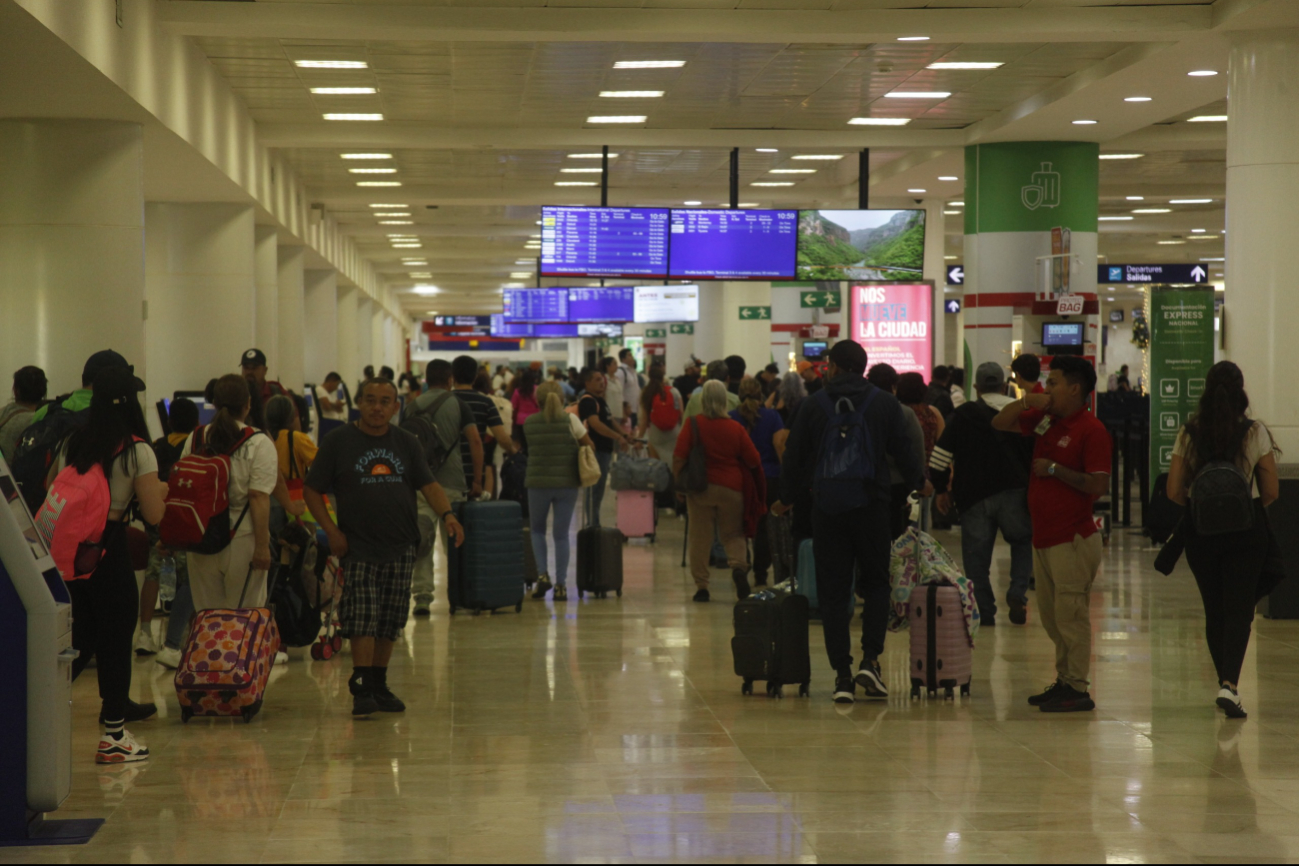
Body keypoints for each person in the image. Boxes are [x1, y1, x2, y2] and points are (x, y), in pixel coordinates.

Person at [304, 377, 465, 717]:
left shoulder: (406, 442)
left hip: (401, 542)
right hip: (357, 544)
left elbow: (429, 484)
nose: (377, 407)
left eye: (385, 401)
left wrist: (448, 515)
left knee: (390, 619)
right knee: (362, 615)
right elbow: (311, 490)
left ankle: (378, 683)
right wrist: (331, 530)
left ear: (396, 407)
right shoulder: (338, 441)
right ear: (359, 403)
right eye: (370, 400)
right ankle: (361, 687)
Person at [774, 340, 924, 704]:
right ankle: (870, 661)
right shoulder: (886, 404)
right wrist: (918, 486)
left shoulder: (813, 405)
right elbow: (906, 452)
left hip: (827, 510)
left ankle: (842, 674)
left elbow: (795, 458)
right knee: (875, 585)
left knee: (834, 593)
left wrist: (786, 498)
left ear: (835, 367)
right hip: (874, 507)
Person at [57, 365, 167, 763]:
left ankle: (35, 710)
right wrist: (162, 491)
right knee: (116, 639)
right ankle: (115, 735)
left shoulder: (74, 442)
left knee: (80, 638)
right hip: (110, 549)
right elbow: (154, 514)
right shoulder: (138, 449)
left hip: (74, 552)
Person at [993, 356, 1112, 713]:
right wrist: (1028, 400)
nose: (1048, 387)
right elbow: (1000, 422)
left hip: (1072, 538)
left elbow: (1099, 484)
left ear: (1075, 388)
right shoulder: (1048, 420)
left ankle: (1077, 687)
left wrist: (1056, 469)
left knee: (1071, 615)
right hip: (1044, 537)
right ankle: (1064, 680)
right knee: (1050, 615)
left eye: (1055, 382)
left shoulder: (1091, 430)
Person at [1167, 361, 1280, 719]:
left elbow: (1173, 491)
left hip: (1201, 533)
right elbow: (1272, 491)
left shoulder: (1190, 432)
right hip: (1247, 532)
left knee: (1215, 609)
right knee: (1239, 609)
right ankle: (1229, 685)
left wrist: (1203, 505)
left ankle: (1225, 683)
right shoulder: (1253, 431)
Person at [929, 362, 1034, 627]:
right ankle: (1017, 593)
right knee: (1022, 543)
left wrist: (942, 490)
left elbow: (939, 458)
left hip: (973, 497)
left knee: (976, 560)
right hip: (1014, 494)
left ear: (975, 387)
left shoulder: (963, 415)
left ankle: (984, 611)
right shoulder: (1020, 412)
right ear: (1003, 386)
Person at [181, 374, 280, 612]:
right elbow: (258, 497)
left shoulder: (195, 438)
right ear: (248, 403)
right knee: (244, 620)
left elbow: (184, 489)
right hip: (243, 539)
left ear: (214, 403)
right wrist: (262, 547)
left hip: (200, 539)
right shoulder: (258, 442)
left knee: (208, 619)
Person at [674, 381, 762, 603]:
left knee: (700, 538)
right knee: (733, 535)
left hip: (701, 488)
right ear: (725, 400)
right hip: (732, 488)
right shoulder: (736, 428)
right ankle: (739, 570)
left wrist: (680, 484)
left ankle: (702, 587)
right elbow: (754, 459)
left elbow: (679, 456)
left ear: (703, 400)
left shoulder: (693, 424)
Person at [408, 360, 481, 615]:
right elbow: (475, 442)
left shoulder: (412, 405)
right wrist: (478, 480)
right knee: (455, 540)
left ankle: (422, 597)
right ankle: (459, 594)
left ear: (426, 378)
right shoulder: (458, 404)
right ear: (449, 379)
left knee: (423, 539)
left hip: (420, 484)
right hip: (452, 483)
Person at [135, 397, 200, 659]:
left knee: (154, 570)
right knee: (189, 577)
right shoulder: (194, 448)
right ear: (197, 422)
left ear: (170, 422)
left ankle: (145, 632)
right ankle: (186, 635)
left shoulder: (157, 447)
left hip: (156, 518)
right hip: (184, 519)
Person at [525, 381, 595, 602]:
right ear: (562, 398)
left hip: (537, 482)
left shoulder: (529, 422)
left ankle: (542, 574)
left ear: (539, 400)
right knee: (561, 534)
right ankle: (561, 586)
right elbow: (589, 446)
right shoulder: (571, 420)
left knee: (537, 530)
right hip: (567, 483)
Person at [730, 377, 784, 587]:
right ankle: (761, 573)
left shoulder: (732, 418)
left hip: (741, 480)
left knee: (740, 526)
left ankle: (743, 565)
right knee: (764, 529)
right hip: (769, 478)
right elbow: (779, 444)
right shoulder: (773, 416)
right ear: (761, 394)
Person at [451, 356, 517, 500]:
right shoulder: (485, 402)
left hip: (447, 472)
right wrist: (514, 451)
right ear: (475, 377)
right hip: (475, 473)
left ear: (453, 376)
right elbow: (502, 438)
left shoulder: (445, 400)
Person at [578, 368, 630, 526]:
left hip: (604, 450)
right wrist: (617, 437)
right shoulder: (588, 401)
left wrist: (625, 435)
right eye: (597, 380)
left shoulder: (600, 400)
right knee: (594, 490)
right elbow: (595, 424)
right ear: (587, 383)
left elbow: (610, 420)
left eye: (602, 379)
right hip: (596, 450)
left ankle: (595, 522)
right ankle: (593, 523)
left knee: (599, 490)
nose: (602, 382)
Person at [896, 371, 945, 531]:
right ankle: (918, 550)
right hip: (927, 474)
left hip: (900, 472)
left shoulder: (896, 412)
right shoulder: (933, 412)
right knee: (922, 518)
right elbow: (942, 446)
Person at [636, 363, 683, 462]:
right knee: (673, 463)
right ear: (663, 377)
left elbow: (644, 420)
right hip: (674, 432)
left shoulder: (646, 393)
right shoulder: (674, 391)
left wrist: (640, 438)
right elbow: (681, 415)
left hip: (656, 433)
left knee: (656, 465)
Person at [477, 372, 513, 497]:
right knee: (488, 465)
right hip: (489, 436)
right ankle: (488, 496)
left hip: (474, 438)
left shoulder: (466, 399)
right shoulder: (489, 401)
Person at [0, 365, 47, 459]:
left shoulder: (3, 413)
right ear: (43, 392)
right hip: (16, 472)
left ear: (15, 391)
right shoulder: (38, 422)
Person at [510, 369, 541, 451]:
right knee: (534, 443)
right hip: (536, 420)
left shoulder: (517, 391)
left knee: (524, 444)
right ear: (534, 379)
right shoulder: (538, 389)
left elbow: (513, 406)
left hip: (521, 421)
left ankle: (524, 460)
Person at [615, 349, 641, 427]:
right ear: (623, 359)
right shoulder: (621, 372)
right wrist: (623, 411)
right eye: (629, 355)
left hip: (635, 409)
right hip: (627, 411)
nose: (632, 357)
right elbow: (619, 392)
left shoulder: (632, 371)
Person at [601, 356, 625, 430]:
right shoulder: (603, 379)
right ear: (607, 366)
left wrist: (623, 412)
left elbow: (621, 397)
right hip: (609, 414)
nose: (616, 366)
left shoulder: (617, 380)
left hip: (619, 413)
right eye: (614, 364)